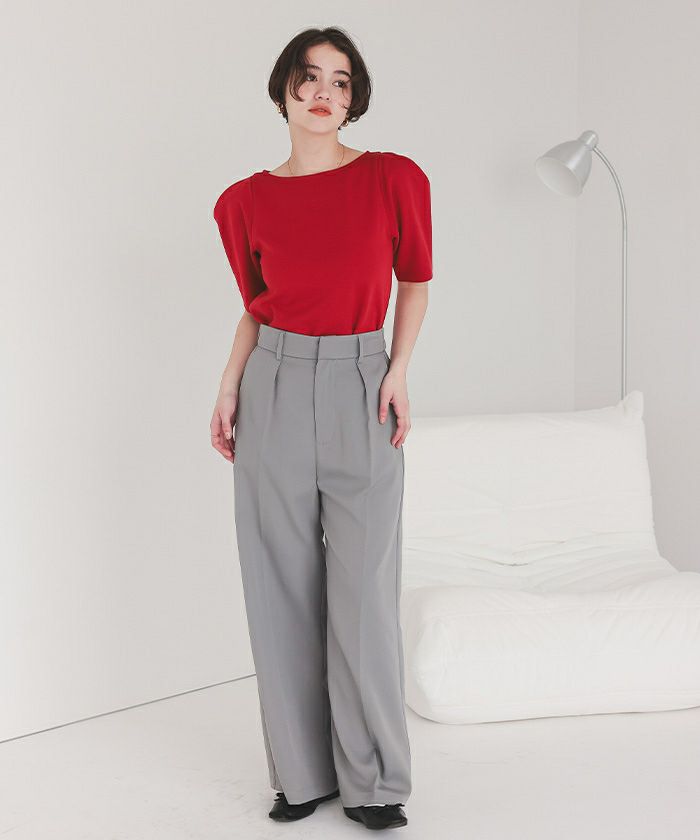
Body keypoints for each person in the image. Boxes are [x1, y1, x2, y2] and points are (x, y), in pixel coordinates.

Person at [210, 26, 432, 832]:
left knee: (364, 592)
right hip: (271, 383)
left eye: (340, 81)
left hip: (361, 381)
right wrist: (228, 386)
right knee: (278, 588)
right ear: (283, 90)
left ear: (354, 99)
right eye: (308, 77)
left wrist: (397, 369)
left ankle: (373, 781)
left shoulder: (393, 178)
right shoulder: (242, 202)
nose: (323, 93)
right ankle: (302, 776)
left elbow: (414, 282)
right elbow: (258, 306)